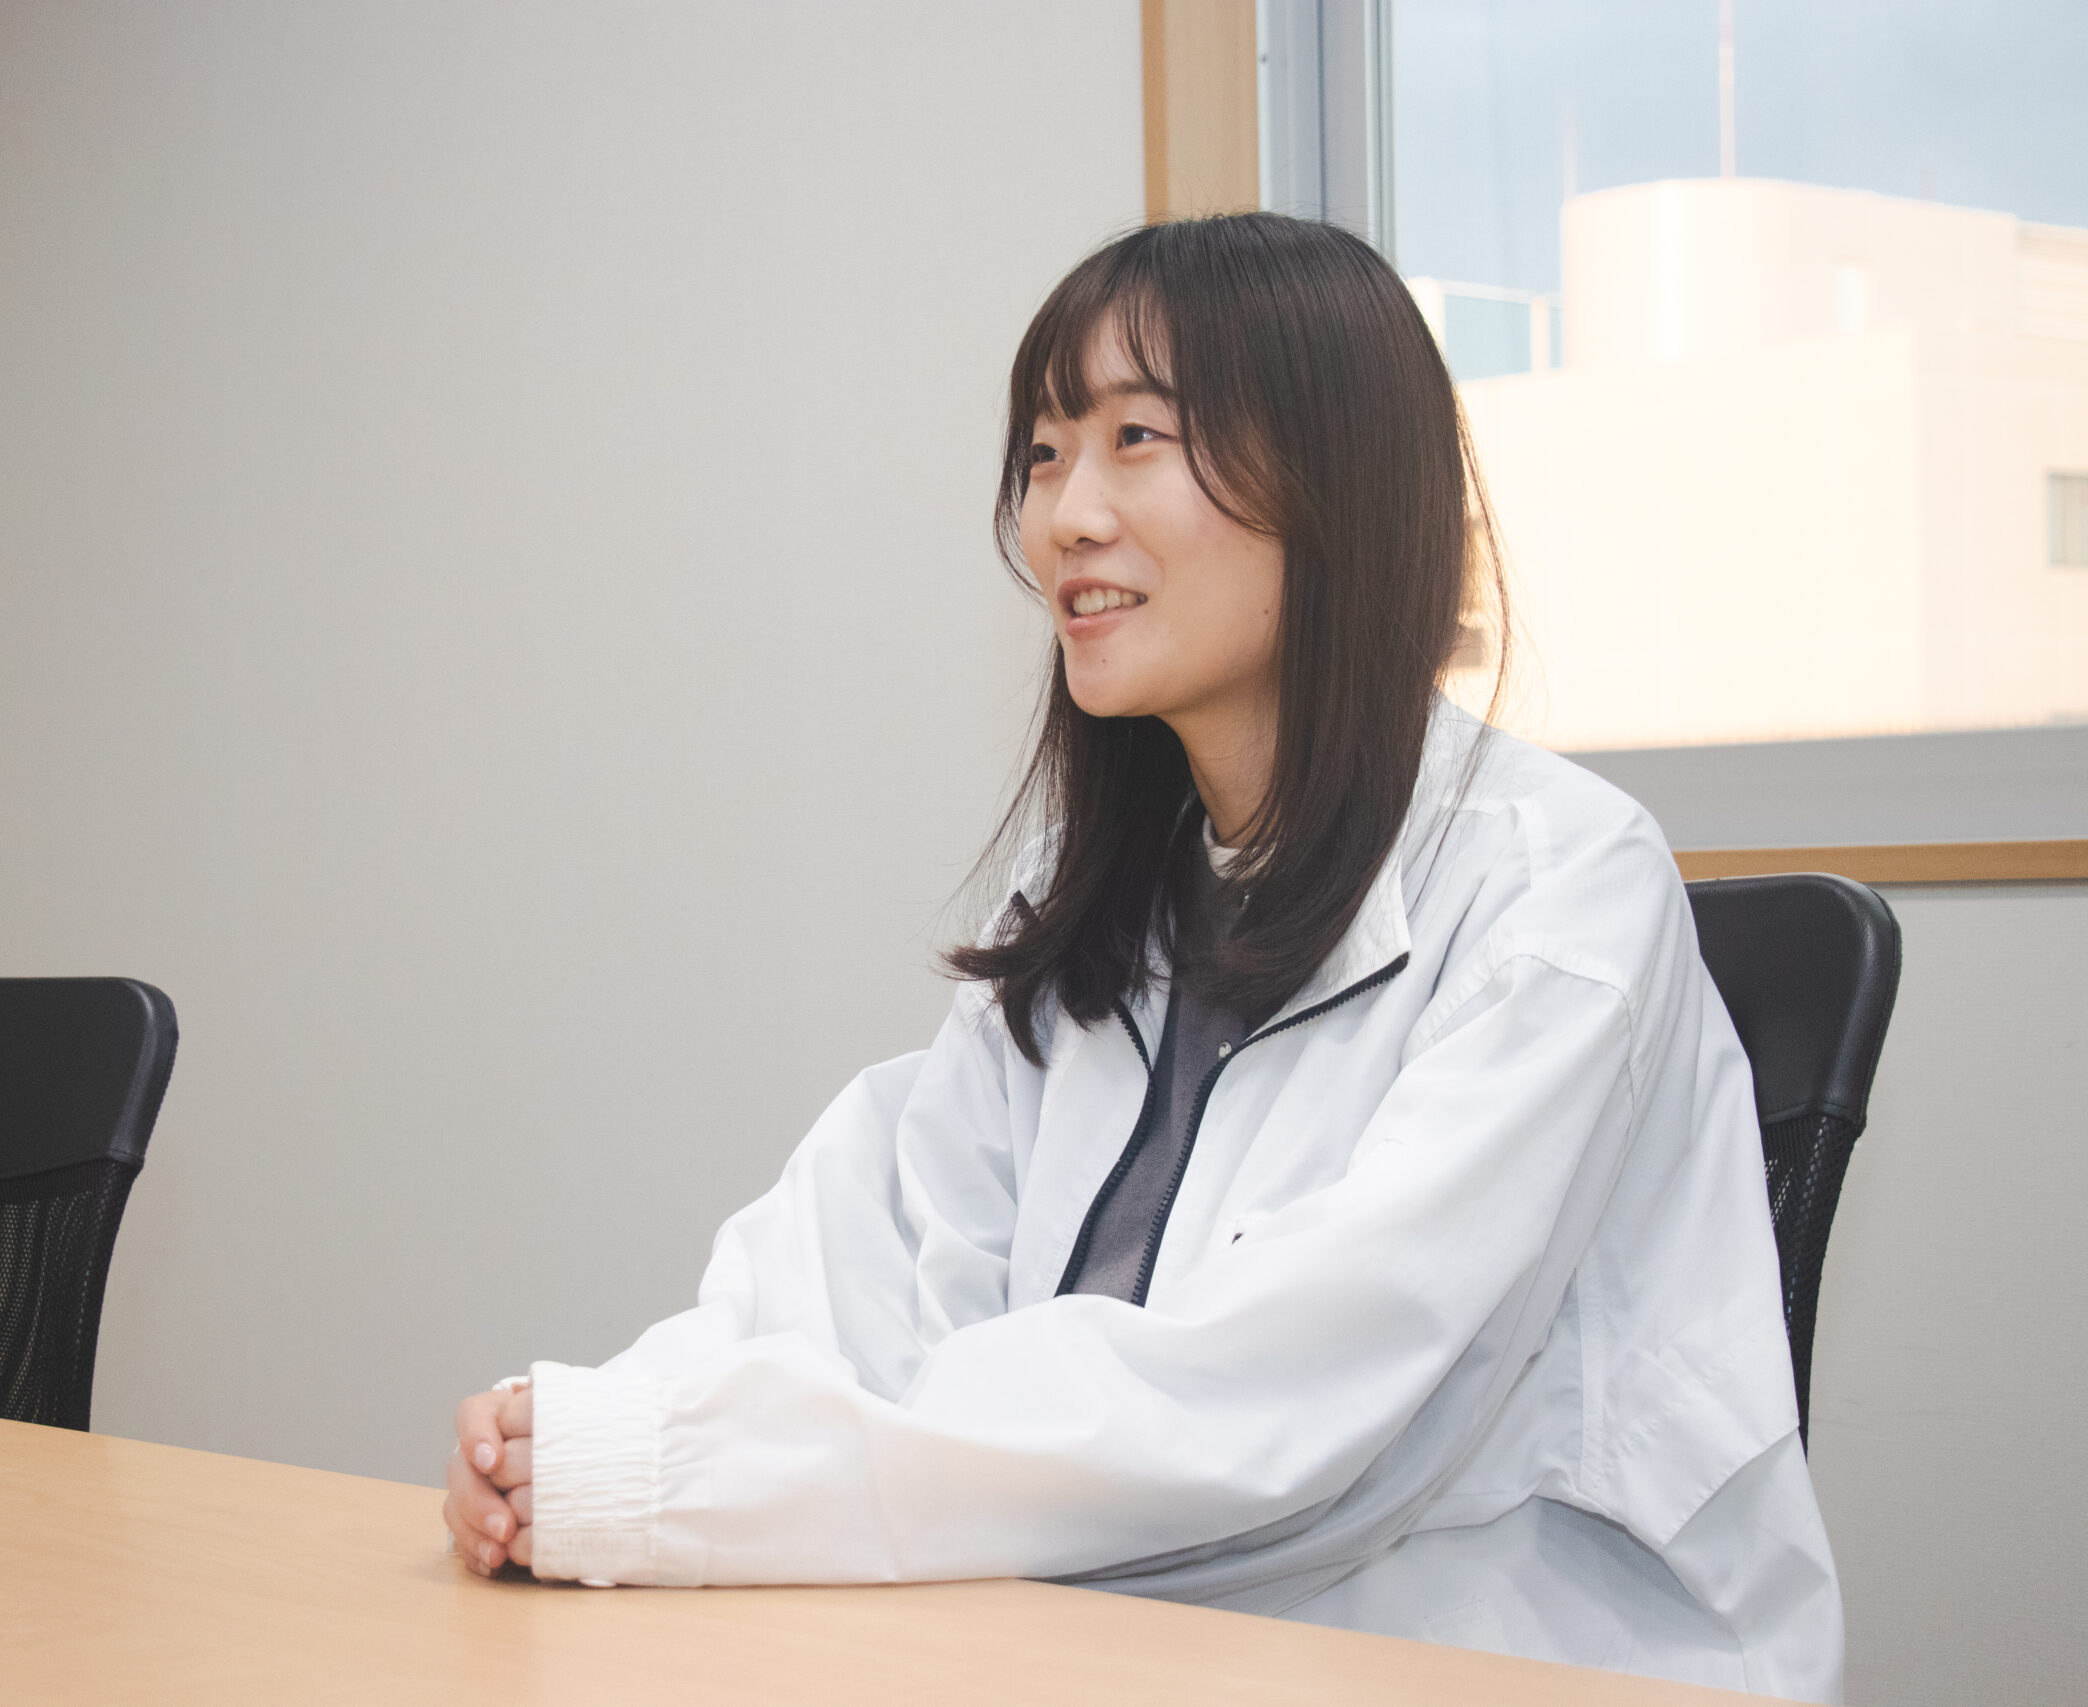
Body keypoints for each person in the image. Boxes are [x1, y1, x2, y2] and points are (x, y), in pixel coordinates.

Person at [439, 213, 1842, 1701]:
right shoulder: (1108, 891)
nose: (1065, 516)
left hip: (1512, 1656)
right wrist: (607, 1433)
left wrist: (676, 1484)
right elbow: (883, 1250)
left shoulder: (1556, 895)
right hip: (1127, 1648)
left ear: (1335, 480)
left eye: (1134, 439)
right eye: (1046, 453)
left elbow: (1283, 1416)